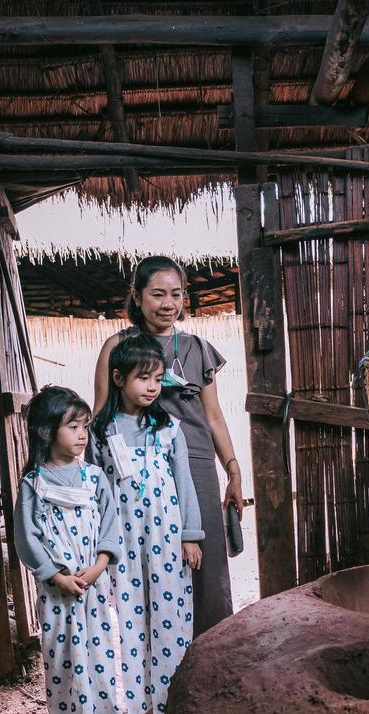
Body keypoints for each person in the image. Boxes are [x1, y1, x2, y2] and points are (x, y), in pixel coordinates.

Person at [94, 255, 241, 637]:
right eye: (157, 294)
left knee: (206, 567)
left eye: (176, 294)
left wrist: (233, 469)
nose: (168, 304)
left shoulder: (198, 348)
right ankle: (162, 664)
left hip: (195, 464)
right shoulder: (118, 346)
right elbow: (100, 417)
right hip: (137, 474)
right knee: (149, 569)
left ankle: (211, 658)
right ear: (138, 296)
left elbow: (213, 417)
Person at [91, 333, 203, 714]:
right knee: (131, 618)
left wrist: (190, 535)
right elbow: (93, 490)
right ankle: (141, 705)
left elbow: (184, 482)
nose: (153, 386)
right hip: (120, 540)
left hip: (167, 537)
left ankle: (169, 698)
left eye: (158, 378)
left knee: (170, 616)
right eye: (144, 377)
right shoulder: (98, 432)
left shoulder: (170, 428)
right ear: (119, 378)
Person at [12, 386, 126, 714]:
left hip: (93, 588)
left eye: (85, 426)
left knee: (99, 655)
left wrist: (97, 568)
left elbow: (111, 528)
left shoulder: (95, 479)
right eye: (73, 426)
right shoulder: (34, 485)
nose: (82, 434)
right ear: (46, 432)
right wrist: (55, 576)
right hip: (57, 593)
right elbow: (26, 540)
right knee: (59, 657)